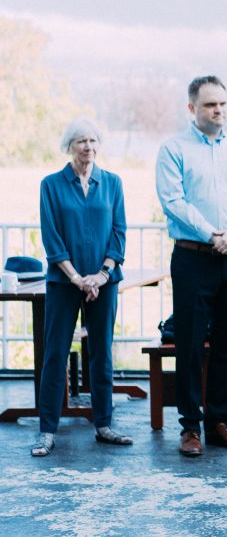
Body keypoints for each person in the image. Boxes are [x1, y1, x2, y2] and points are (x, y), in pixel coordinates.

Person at [156, 75, 227, 457]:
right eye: (211, 104)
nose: (219, 111)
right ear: (192, 108)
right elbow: (173, 201)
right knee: (191, 344)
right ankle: (189, 427)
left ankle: (218, 422)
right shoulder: (173, 149)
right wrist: (214, 233)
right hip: (192, 257)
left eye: (223, 104)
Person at [33, 118, 131, 456]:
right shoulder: (51, 184)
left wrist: (102, 275)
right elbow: (51, 237)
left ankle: (104, 424)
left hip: (104, 282)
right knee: (55, 354)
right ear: (69, 146)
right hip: (64, 282)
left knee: (101, 352)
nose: (87, 147)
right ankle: (47, 430)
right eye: (80, 141)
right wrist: (77, 278)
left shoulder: (113, 183)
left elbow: (119, 233)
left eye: (92, 140)